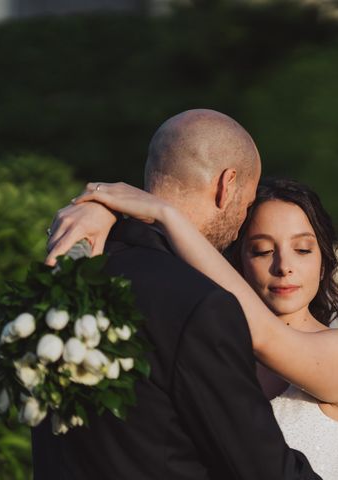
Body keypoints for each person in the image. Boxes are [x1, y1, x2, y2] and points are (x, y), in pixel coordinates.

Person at [48, 177, 338, 480]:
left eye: (303, 249)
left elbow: (264, 337)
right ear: (238, 263)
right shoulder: (216, 346)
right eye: (262, 251)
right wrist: (103, 212)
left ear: (323, 264)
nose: (284, 266)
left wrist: (164, 213)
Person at [36, 109, 322, 480]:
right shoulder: (201, 303)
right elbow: (263, 469)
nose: (240, 227)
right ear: (227, 185)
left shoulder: (65, 274)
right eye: (247, 204)